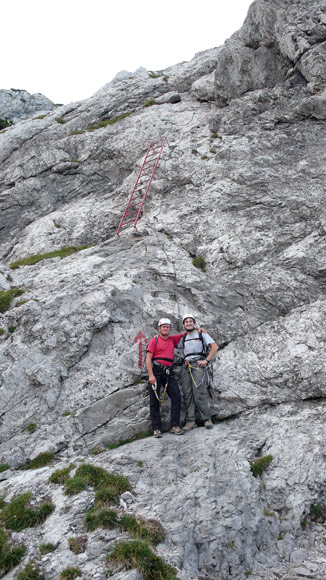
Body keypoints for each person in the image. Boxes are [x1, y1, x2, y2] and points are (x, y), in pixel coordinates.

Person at [178, 314, 218, 431]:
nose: (189, 323)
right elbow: (171, 342)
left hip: (198, 364)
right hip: (186, 365)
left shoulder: (201, 334)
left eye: (191, 321)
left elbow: (214, 347)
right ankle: (191, 421)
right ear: (183, 324)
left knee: (200, 391)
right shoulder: (183, 337)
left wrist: (206, 360)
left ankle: (206, 418)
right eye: (186, 322)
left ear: (194, 323)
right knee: (187, 393)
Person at [146, 318, 185, 438]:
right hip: (156, 371)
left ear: (170, 329)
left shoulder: (172, 340)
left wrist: (198, 329)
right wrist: (151, 375)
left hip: (168, 372)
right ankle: (156, 428)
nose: (166, 328)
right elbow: (148, 358)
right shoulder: (154, 341)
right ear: (159, 328)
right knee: (154, 401)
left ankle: (174, 425)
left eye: (167, 327)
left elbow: (184, 333)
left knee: (177, 397)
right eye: (163, 327)